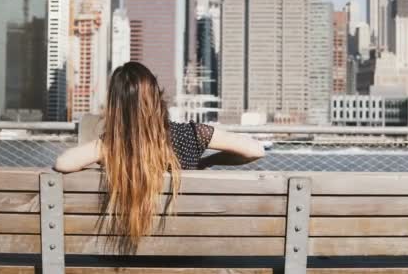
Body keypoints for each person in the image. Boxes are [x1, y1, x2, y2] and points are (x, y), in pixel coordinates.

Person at [53, 61, 264, 249]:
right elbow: (256, 150)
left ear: (116, 107)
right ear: (156, 97)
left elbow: (63, 163)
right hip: (187, 252)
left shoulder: (112, 146)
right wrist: (210, 160)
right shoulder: (191, 135)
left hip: (124, 254)